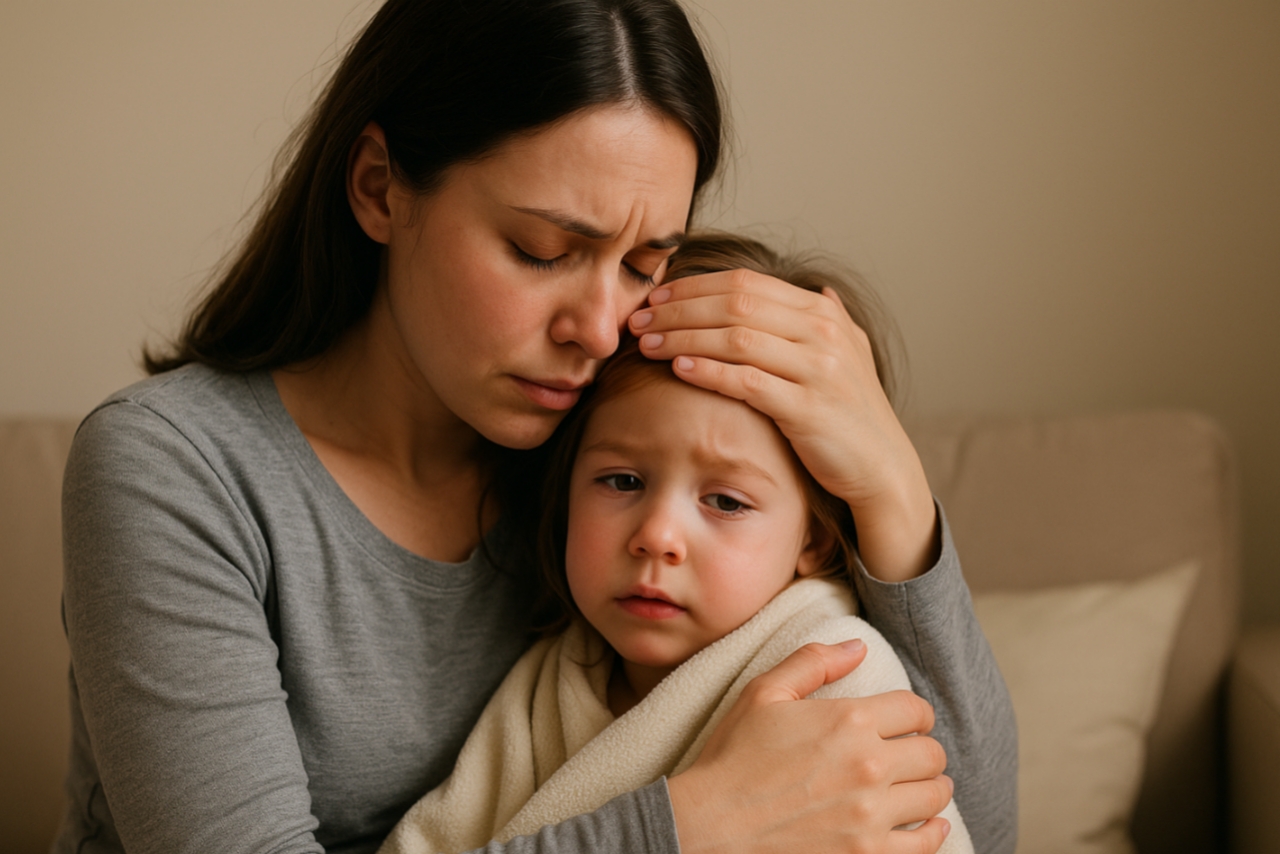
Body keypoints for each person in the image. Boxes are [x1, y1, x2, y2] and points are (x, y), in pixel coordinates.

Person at [55, 2, 1016, 853]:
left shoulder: (609, 452)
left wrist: (890, 484)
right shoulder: (172, 469)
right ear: (380, 187)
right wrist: (699, 826)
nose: (598, 330)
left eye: (643, 264)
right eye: (543, 249)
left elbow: (968, 829)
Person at [376, 233, 979, 854]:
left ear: (816, 541)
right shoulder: (551, 683)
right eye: (622, 481)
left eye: (726, 502)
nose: (656, 537)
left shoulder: (836, 671)